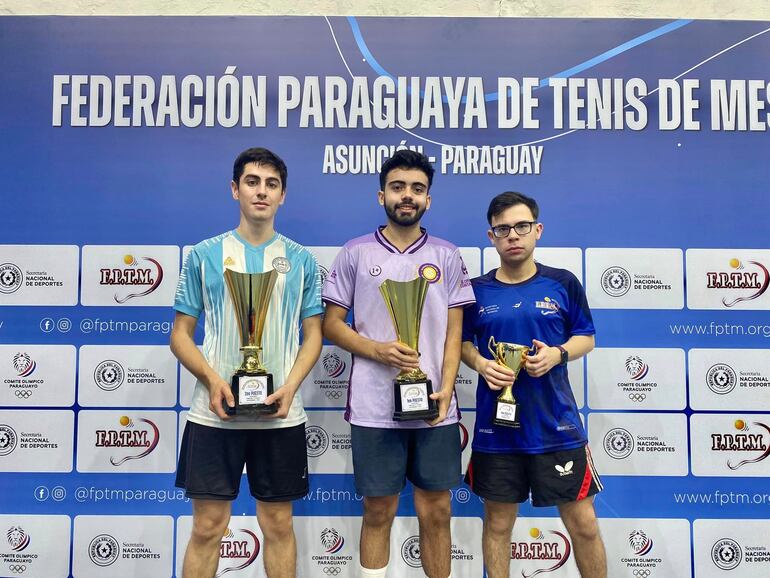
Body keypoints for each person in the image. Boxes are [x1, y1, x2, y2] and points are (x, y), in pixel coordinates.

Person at [171, 147, 323, 578]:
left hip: (280, 414)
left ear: (283, 196)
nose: (262, 191)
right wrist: (213, 379)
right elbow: (180, 336)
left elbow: (313, 336)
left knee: (277, 524)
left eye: (271, 184)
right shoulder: (204, 255)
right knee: (207, 527)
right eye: (252, 182)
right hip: (214, 414)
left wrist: (291, 387)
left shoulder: (303, 260)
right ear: (235, 189)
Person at [322, 150, 475, 578]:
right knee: (377, 510)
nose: (407, 195)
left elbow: (454, 333)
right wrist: (377, 350)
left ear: (428, 199)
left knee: (437, 510)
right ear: (381, 195)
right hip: (374, 408)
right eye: (398, 187)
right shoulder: (354, 253)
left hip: (435, 407)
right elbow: (332, 326)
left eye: (417, 189)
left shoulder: (447, 254)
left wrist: (445, 392)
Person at [461, 192, 606, 578]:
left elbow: (586, 337)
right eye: (503, 229)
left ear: (537, 230)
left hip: (556, 427)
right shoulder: (475, 291)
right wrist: (480, 363)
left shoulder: (563, 283)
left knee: (584, 525)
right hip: (497, 430)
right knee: (496, 524)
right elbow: (459, 344)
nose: (513, 235)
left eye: (521, 227)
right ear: (491, 236)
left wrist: (557, 354)